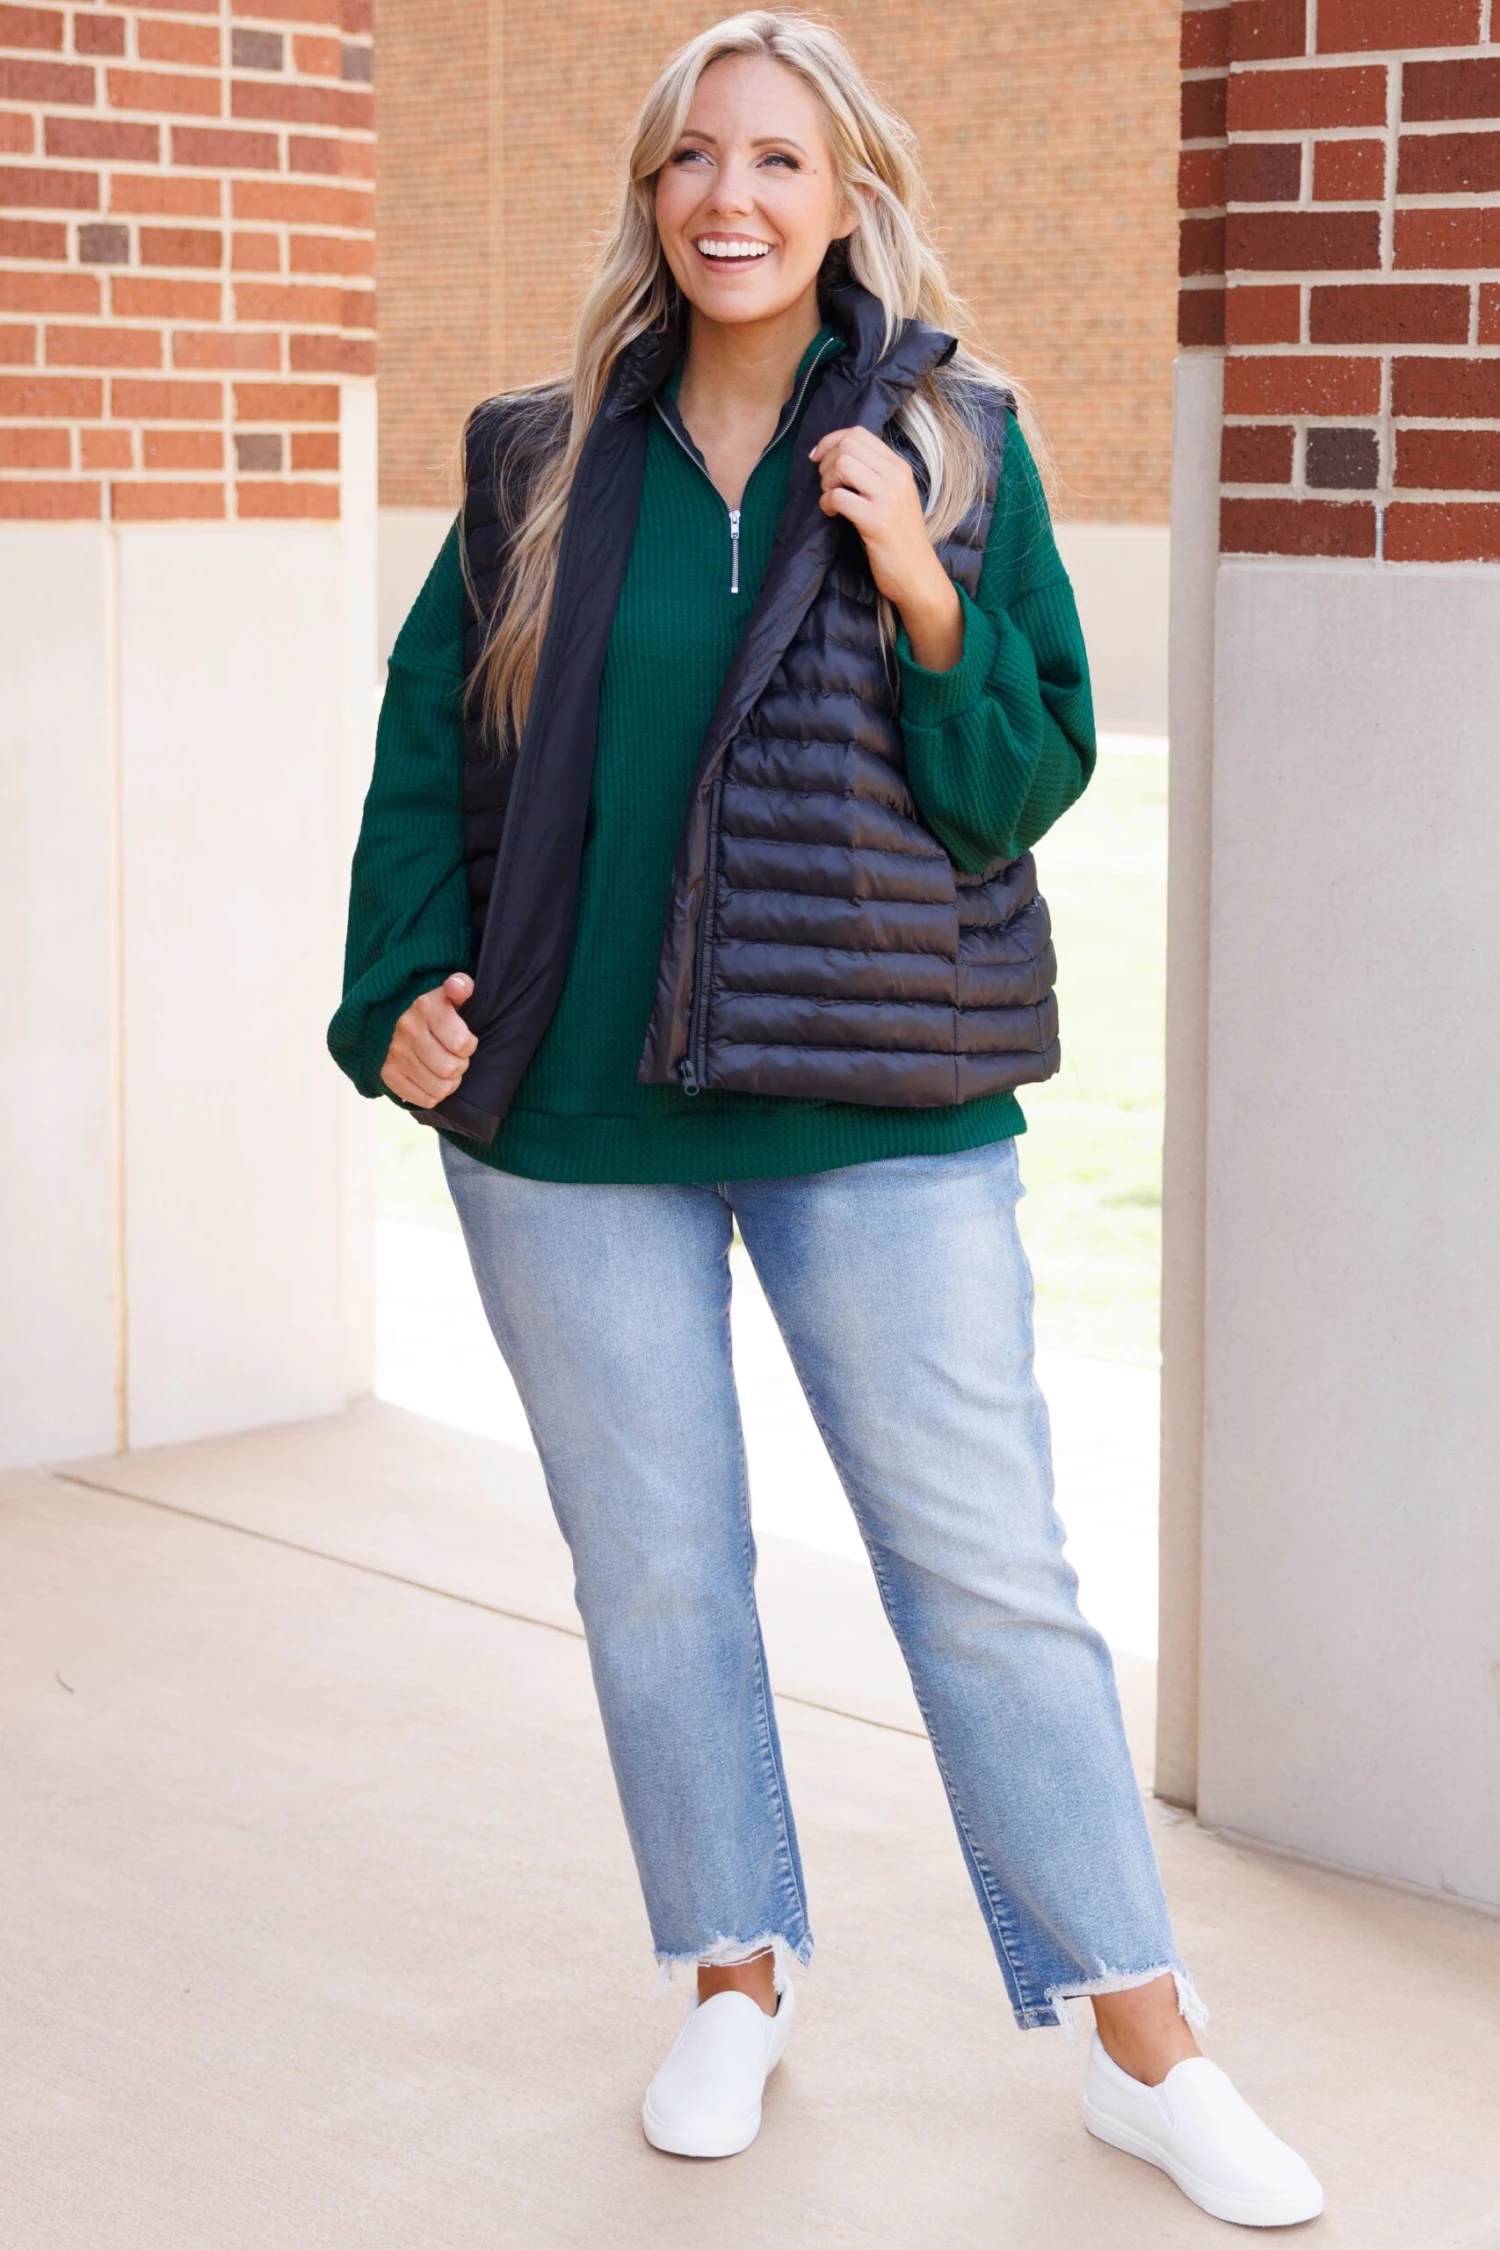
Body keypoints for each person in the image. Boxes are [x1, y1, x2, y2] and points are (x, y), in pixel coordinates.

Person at [330, 12, 1322, 2226]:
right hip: (570, 1113)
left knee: (988, 1574)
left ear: (848, 191)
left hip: (878, 1100)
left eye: (780, 159)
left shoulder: (955, 440)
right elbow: (427, 750)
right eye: (696, 158)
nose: (734, 198)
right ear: (652, 194)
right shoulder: (535, 458)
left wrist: (919, 576)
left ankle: (1144, 2041)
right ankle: (732, 1973)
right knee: (656, 1571)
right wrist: (397, 994)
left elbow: (1024, 776)